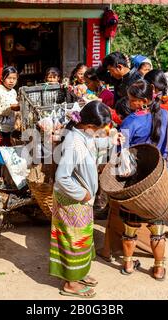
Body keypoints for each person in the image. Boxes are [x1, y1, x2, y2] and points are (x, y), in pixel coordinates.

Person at [112, 80, 168, 281]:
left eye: (132, 100)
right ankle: (158, 268)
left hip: (136, 183)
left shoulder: (130, 122)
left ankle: (128, 264)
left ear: (143, 101)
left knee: (130, 227)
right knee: (157, 229)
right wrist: (166, 172)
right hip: (160, 180)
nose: (129, 103)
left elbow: (120, 153)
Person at [51, 101, 111, 298]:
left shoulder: (82, 134)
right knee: (73, 241)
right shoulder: (74, 143)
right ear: (89, 126)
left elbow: (95, 144)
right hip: (73, 201)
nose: (101, 133)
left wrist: (111, 140)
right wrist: (82, 194)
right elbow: (61, 178)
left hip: (81, 201)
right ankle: (70, 283)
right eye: (99, 130)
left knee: (82, 239)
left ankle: (79, 274)